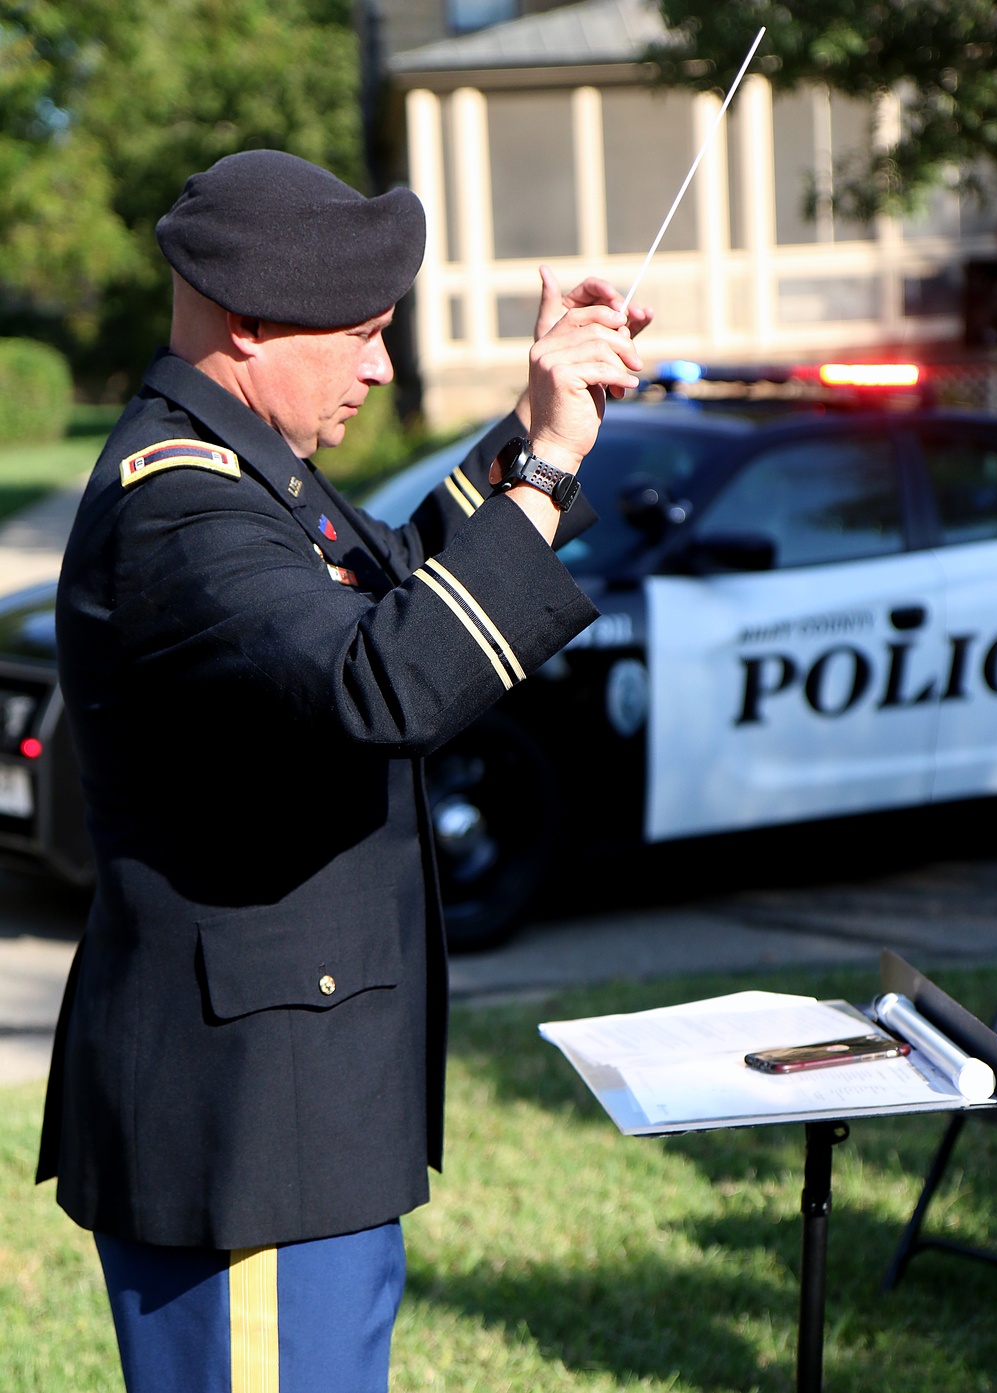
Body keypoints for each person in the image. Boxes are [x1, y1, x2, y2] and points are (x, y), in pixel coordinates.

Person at [36, 149, 651, 1393]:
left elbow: (397, 581)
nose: (380, 366)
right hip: (251, 1133)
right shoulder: (181, 508)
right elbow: (387, 683)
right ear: (250, 325)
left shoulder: (250, 470)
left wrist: (543, 437)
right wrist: (534, 477)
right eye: (361, 335)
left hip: (299, 1109)